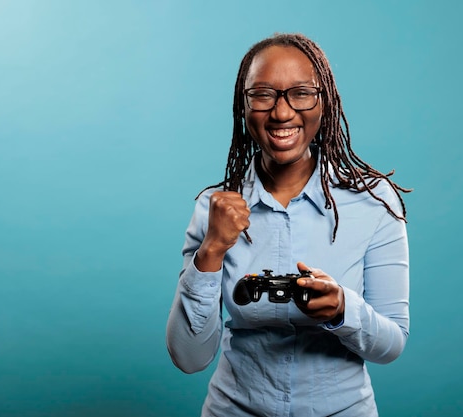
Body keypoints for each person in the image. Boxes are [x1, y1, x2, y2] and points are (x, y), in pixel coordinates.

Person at [166, 33, 410, 417]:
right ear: (243, 106)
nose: (282, 113)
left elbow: (392, 345)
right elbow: (189, 358)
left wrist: (344, 310)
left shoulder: (372, 202)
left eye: (301, 93)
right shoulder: (214, 210)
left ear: (324, 102)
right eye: (263, 94)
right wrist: (210, 251)